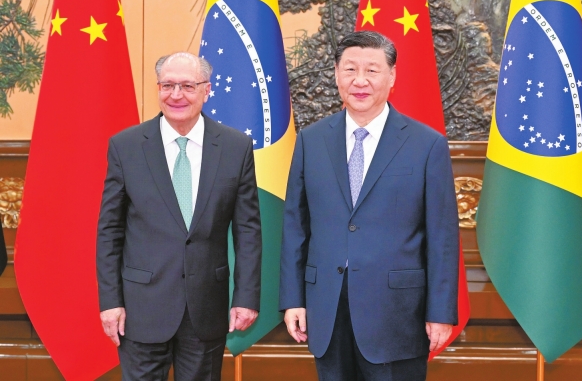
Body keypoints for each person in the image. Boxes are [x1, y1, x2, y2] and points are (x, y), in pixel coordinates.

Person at [279, 31, 459, 381]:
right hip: (326, 307)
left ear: (392, 76)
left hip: (397, 314)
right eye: (350, 69)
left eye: (372, 70)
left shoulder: (426, 144)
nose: (359, 81)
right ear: (336, 74)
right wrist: (293, 299)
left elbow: (443, 237)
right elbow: (295, 227)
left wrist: (440, 312)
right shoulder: (311, 141)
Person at [97, 52, 262, 381]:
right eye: (168, 85)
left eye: (187, 86)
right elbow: (110, 232)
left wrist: (246, 298)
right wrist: (110, 301)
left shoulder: (235, 147)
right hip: (141, 309)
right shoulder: (126, 146)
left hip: (206, 307)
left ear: (207, 90)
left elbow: (248, 231)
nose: (176, 95)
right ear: (158, 88)